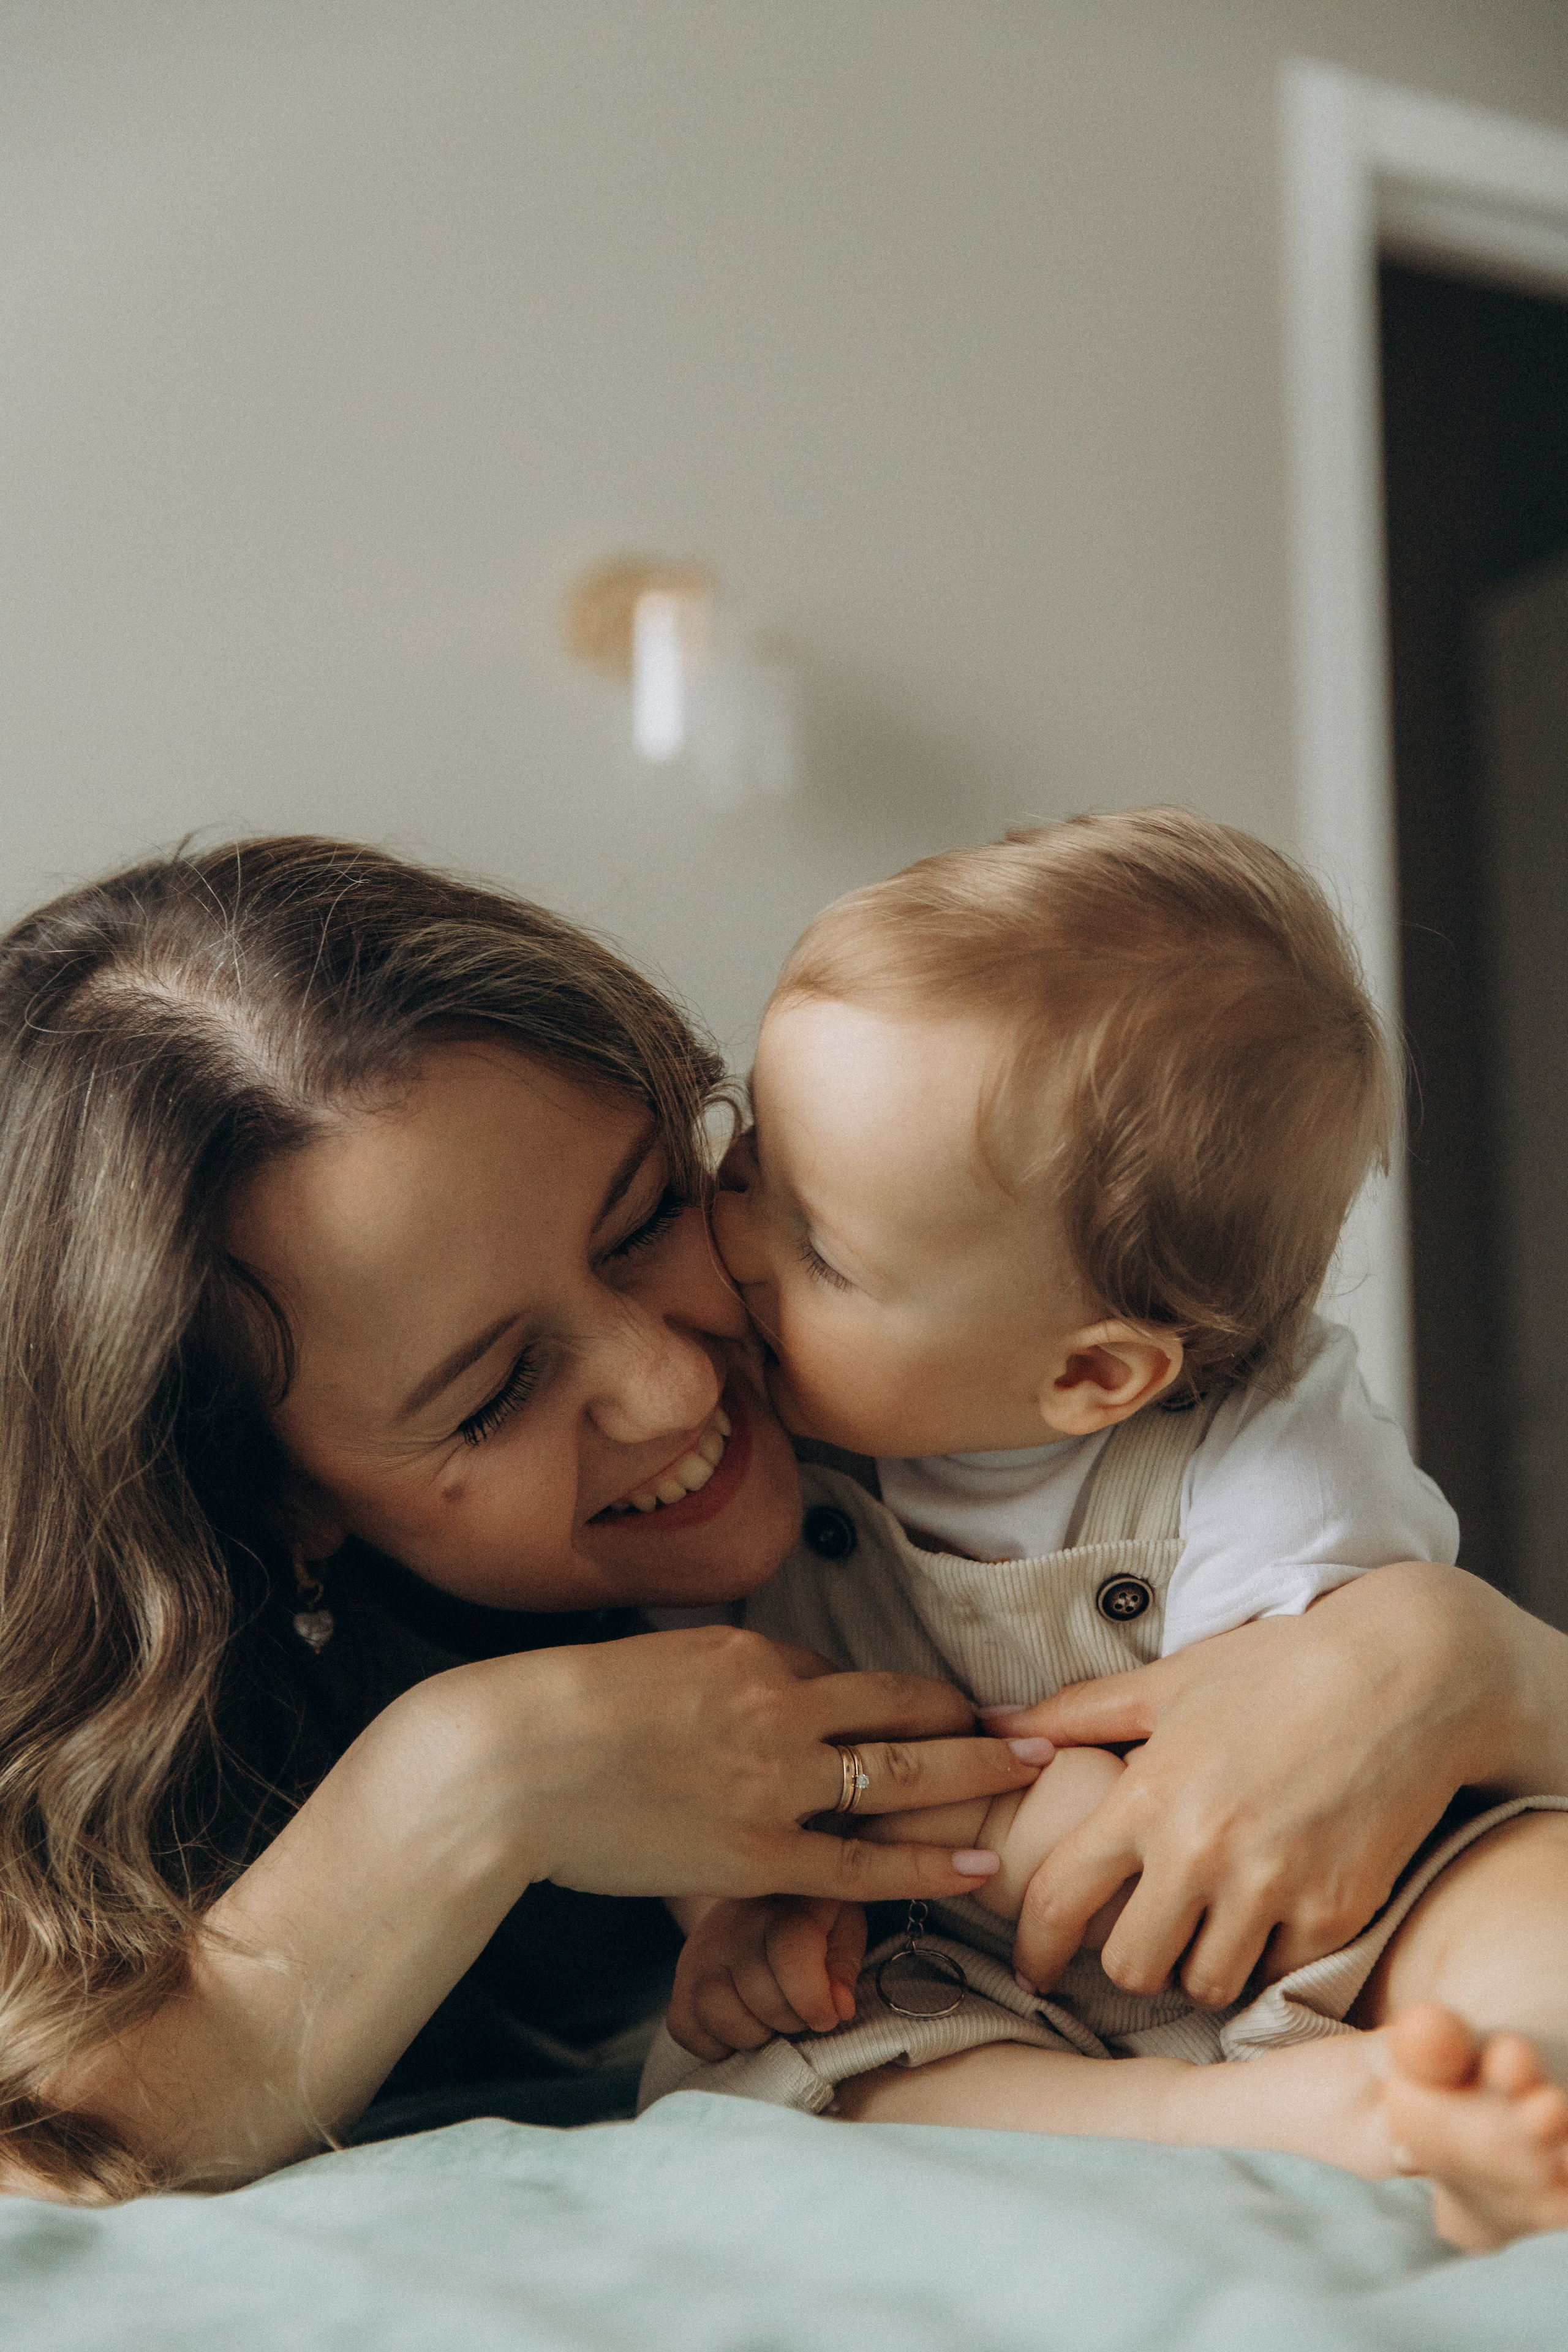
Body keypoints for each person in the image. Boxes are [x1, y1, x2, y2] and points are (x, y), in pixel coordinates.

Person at [1, 834, 1566, 2225]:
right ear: (267, 1502)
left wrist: (1463, 1665)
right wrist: (475, 1782)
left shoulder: (962, 1345)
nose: (678, 1379)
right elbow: (48, 2158)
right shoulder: (133, 1725)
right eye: (493, 1396)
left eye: (648, 1217)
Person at [649, 812, 1568, 2250]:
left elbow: (1316, 1759)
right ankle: (1288, 2123)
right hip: (952, 1962)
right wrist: (737, 1919)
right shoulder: (744, 1460)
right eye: (748, 1165)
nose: (731, 1243)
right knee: (760, 2085)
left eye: (818, 1250)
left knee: (1526, 1899)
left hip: (1314, 1919)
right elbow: (689, 1746)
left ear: (1089, 1376)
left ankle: (1507, 2077)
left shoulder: (1264, 1458)